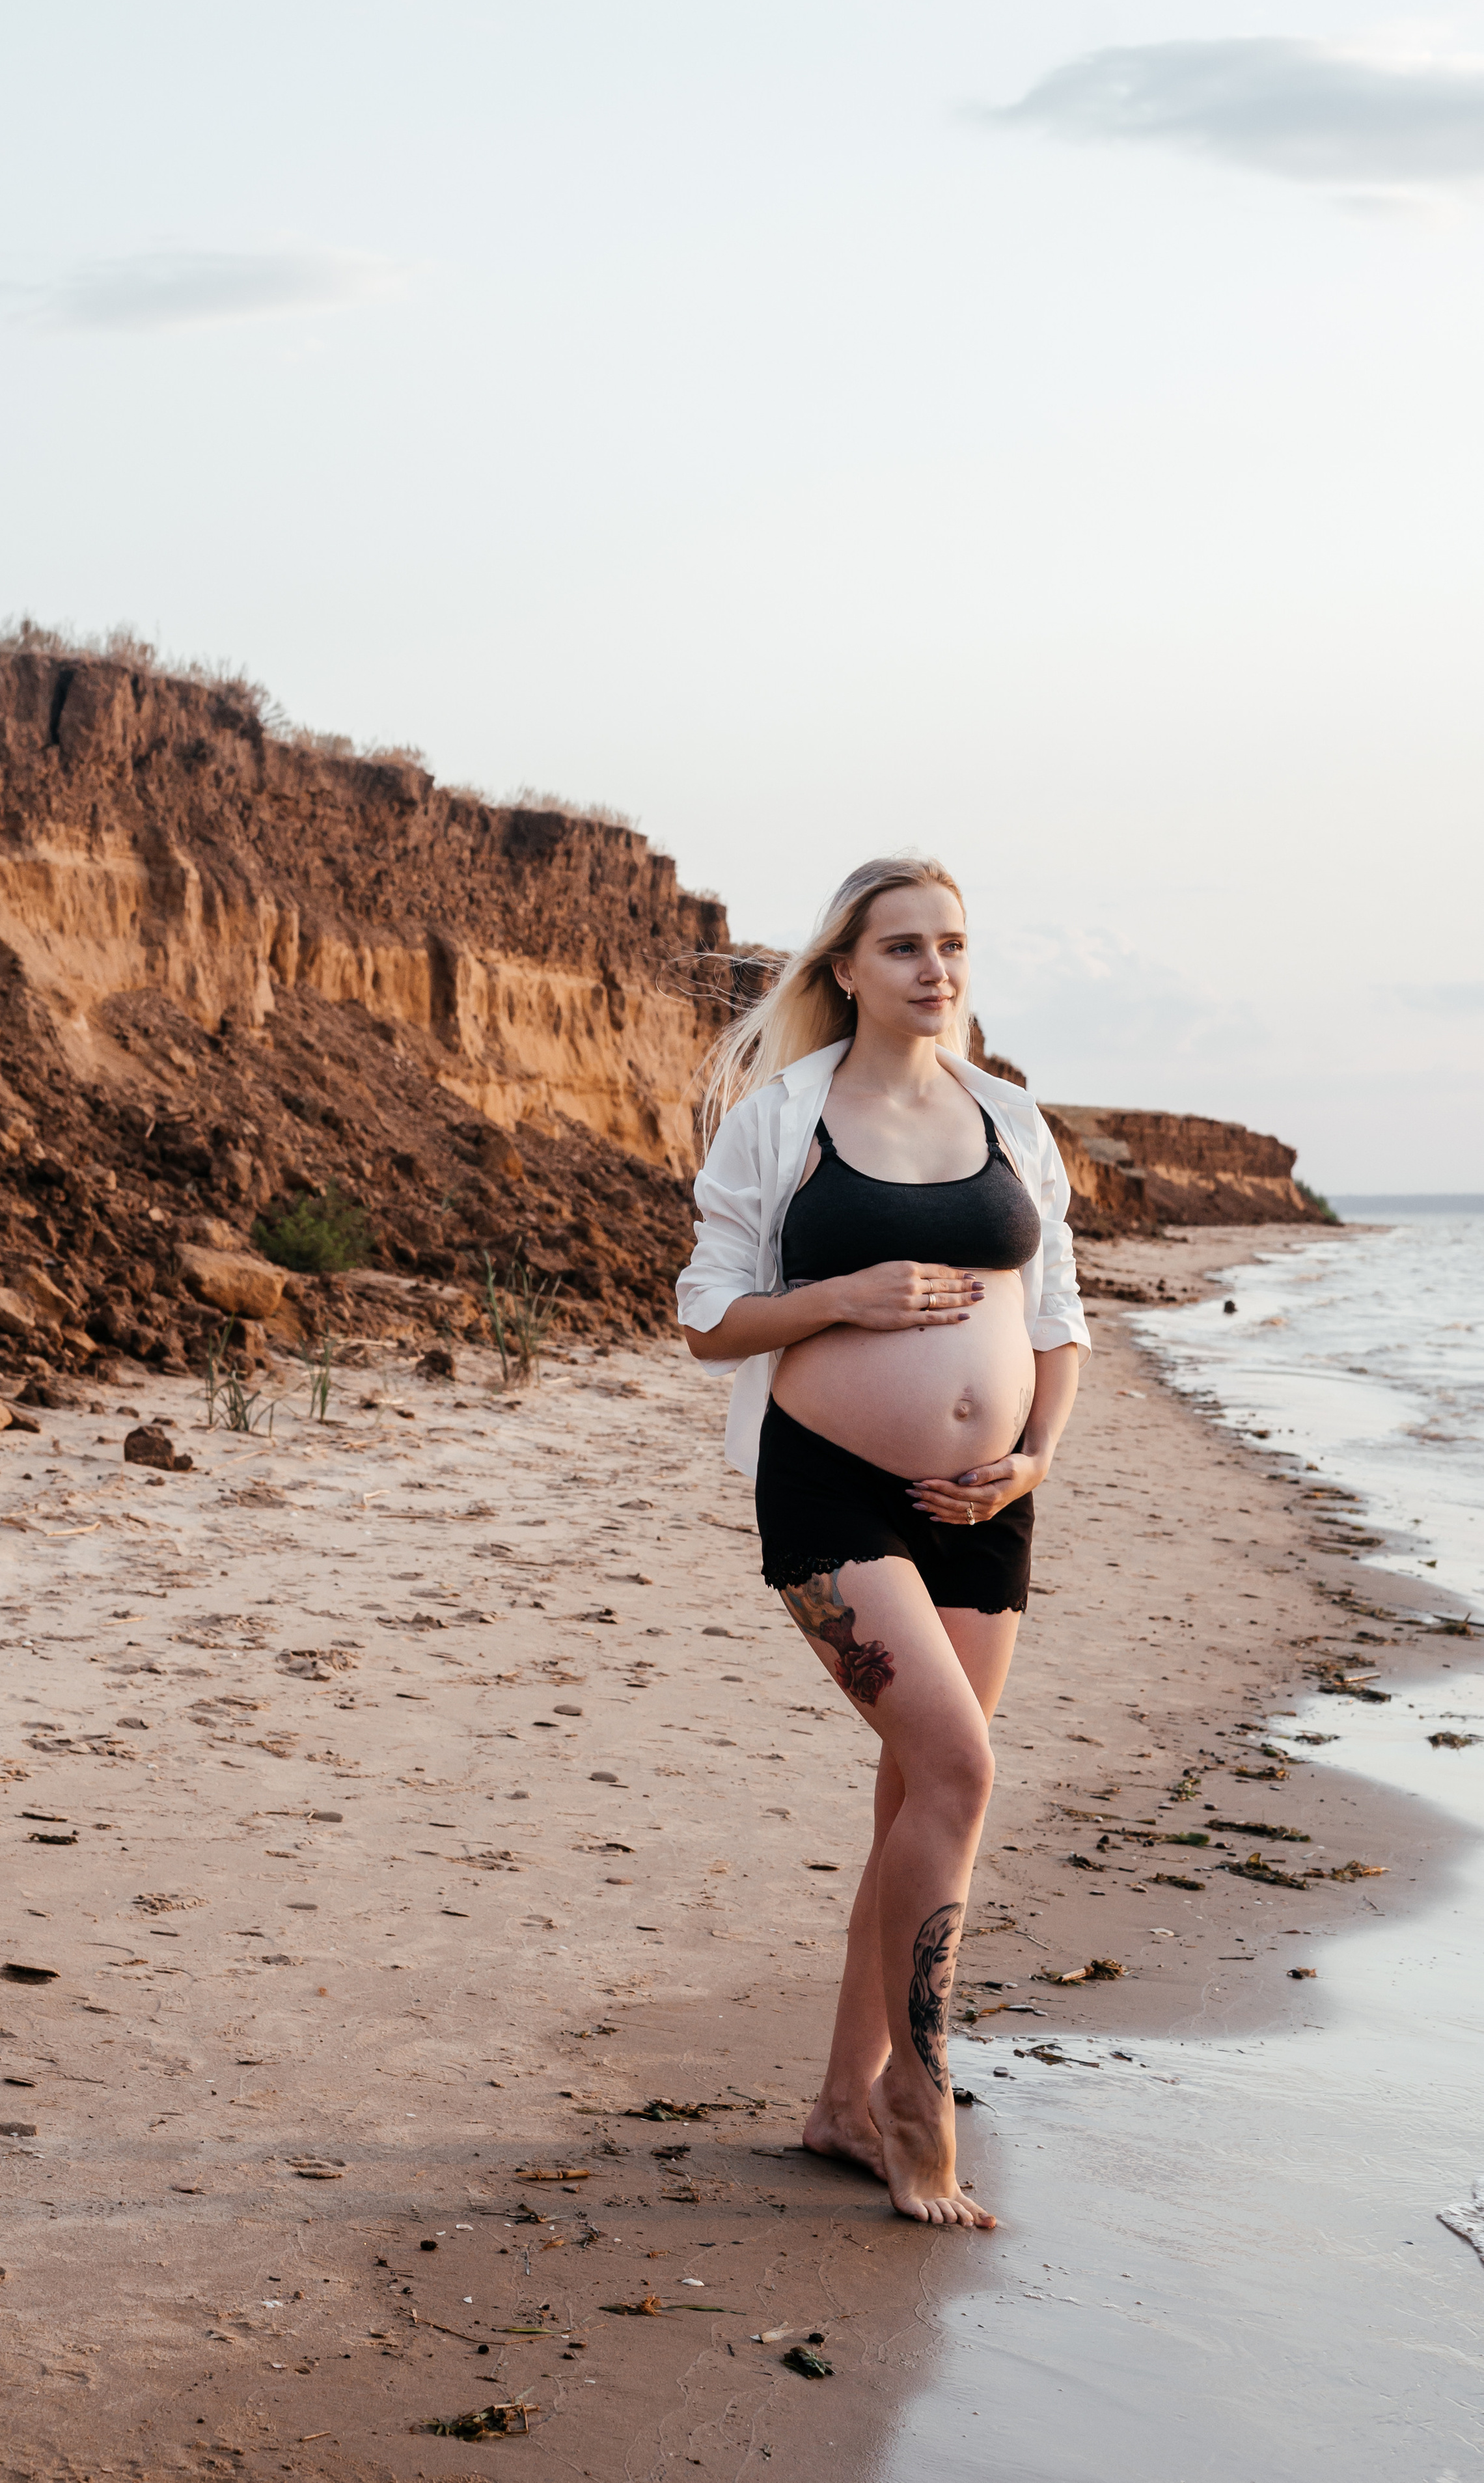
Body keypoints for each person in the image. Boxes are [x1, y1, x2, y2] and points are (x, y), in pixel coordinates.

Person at [676, 856, 1089, 2226]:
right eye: (902, 946)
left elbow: (1055, 1319)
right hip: (832, 1490)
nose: (934, 969)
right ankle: (920, 2100)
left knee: (915, 1793)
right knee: (959, 1773)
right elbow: (707, 1318)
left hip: (985, 1504)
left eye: (952, 944)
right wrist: (840, 1294)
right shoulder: (779, 1119)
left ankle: (838, 2103)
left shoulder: (1010, 1117)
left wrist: (1032, 1455)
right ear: (843, 966)